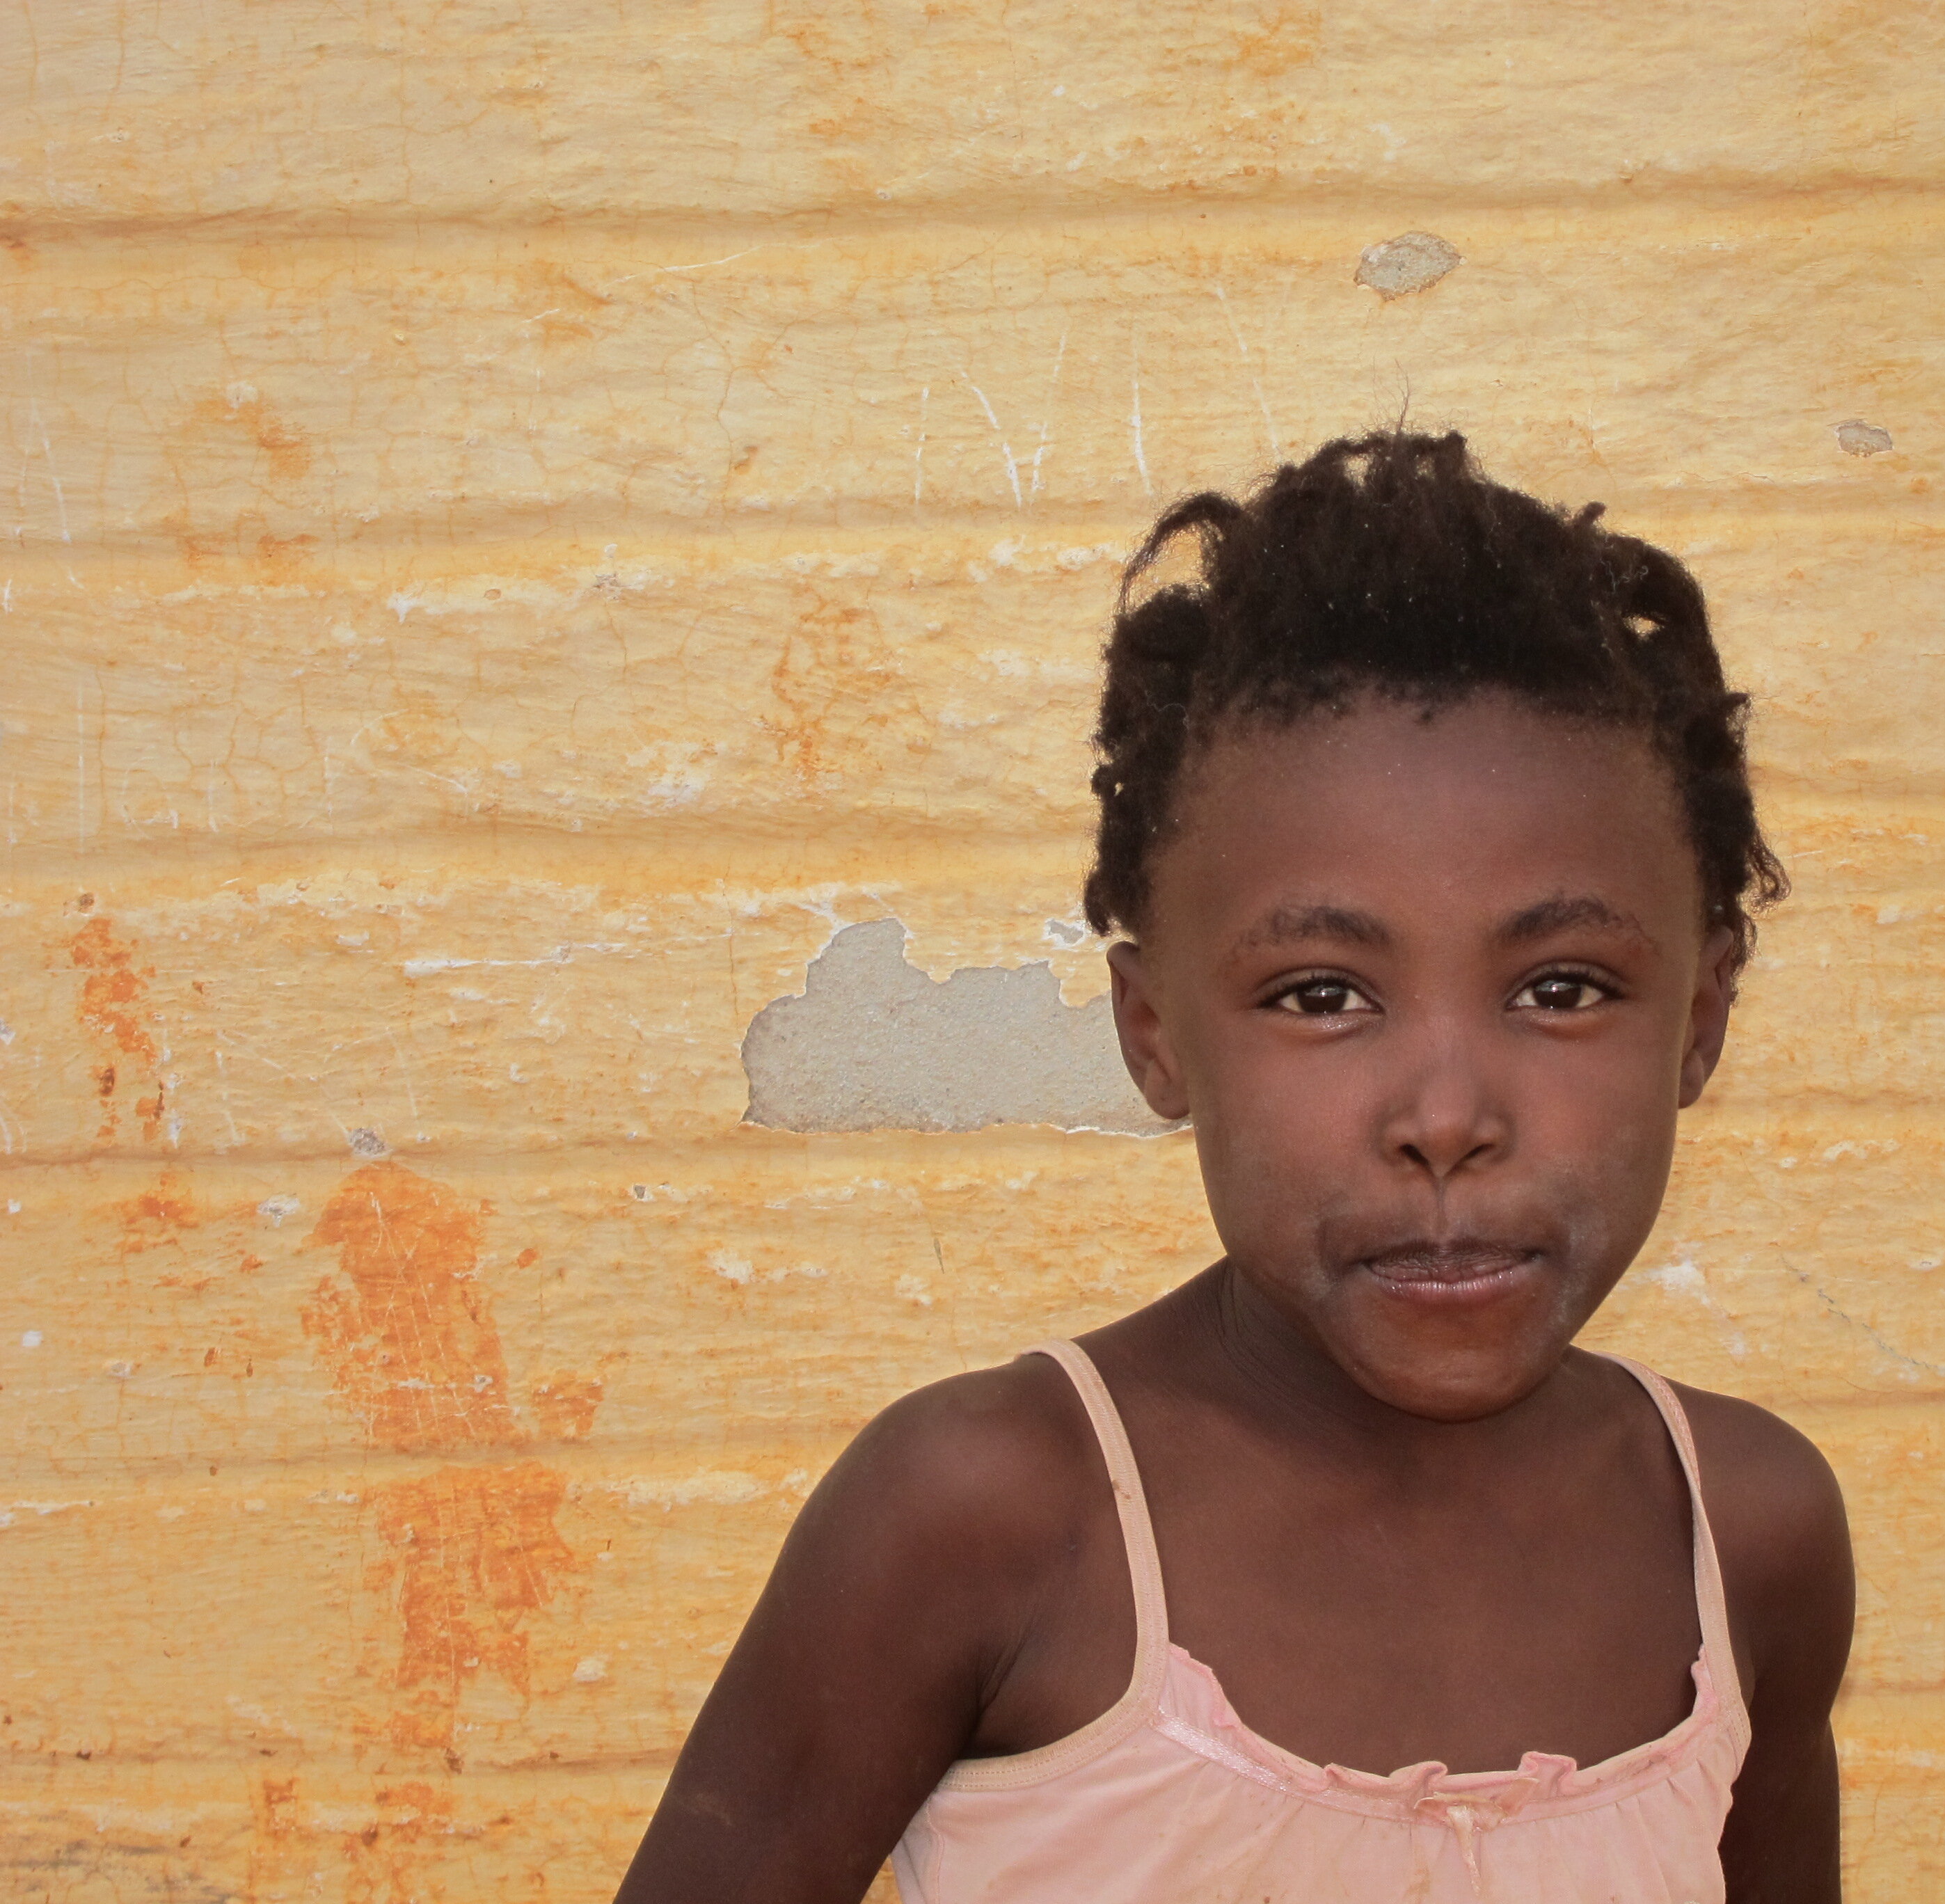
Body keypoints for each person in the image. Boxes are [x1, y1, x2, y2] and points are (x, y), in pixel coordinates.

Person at [617, 432, 1857, 1903]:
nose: (1446, 1114)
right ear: (1156, 1035)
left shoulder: (1743, 1533)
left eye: (1563, 988)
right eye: (1322, 994)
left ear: (1702, 1024)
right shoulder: (990, 1516)